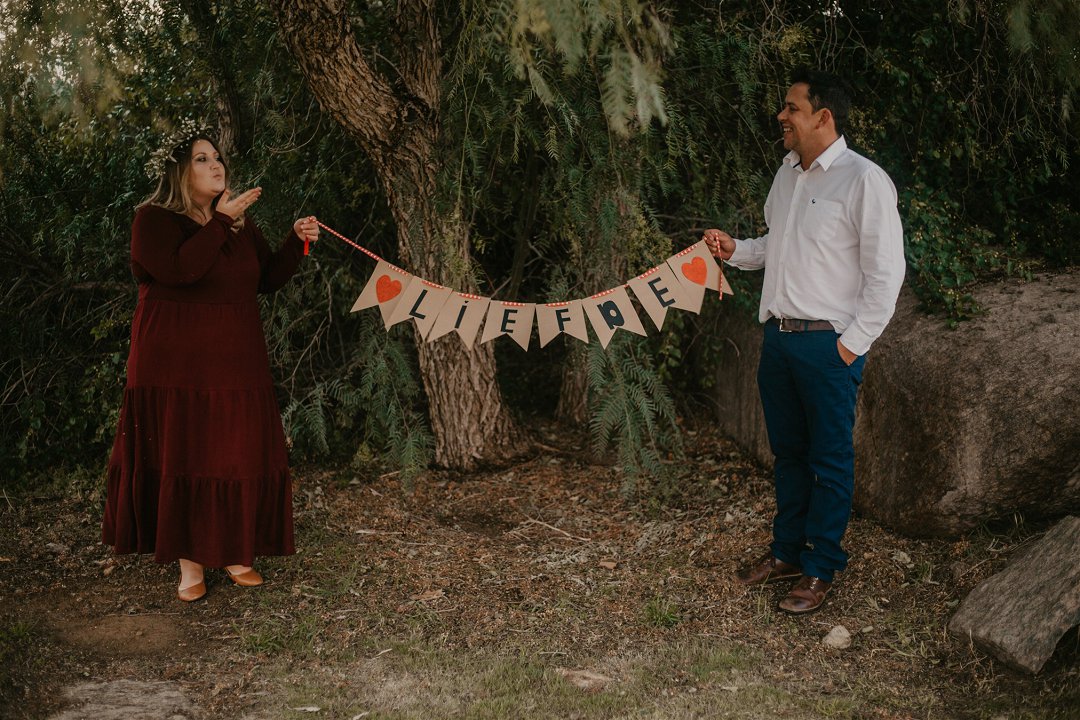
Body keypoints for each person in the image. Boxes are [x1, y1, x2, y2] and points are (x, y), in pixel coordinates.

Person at [704, 68, 905, 614]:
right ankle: (786, 552)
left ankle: (820, 568)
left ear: (823, 116)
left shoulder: (864, 181)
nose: (781, 116)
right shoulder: (787, 172)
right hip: (780, 341)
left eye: (791, 107)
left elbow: (886, 275)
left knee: (831, 459)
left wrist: (850, 346)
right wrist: (733, 250)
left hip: (827, 347)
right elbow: (777, 245)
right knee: (788, 455)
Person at [101, 124, 320, 602]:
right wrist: (220, 221)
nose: (216, 164)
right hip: (173, 367)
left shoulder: (237, 223)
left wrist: (296, 241)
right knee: (185, 454)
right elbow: (181, 270)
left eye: (217, 156)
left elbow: (265, 278)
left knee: (235, 451)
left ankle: (238, 553)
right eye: (202, 158)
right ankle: (190, 564)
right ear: (180, 170)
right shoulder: (153, 219)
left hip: (236, 361)